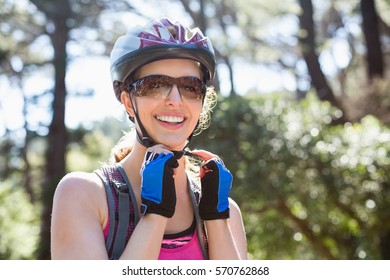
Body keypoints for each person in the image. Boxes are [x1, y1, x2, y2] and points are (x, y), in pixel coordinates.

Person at [51, 18, 247, 260]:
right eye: (155, 85)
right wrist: (155, 214)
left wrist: (215, 220)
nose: (175, 100)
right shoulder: (84, 195)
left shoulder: (227, 211)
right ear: (127, 102)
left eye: (190, 87)